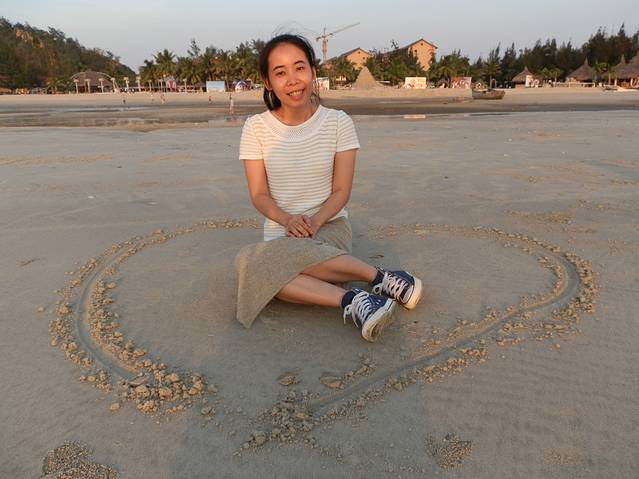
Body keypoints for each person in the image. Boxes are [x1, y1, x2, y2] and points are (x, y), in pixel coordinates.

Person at [234, 34, 423, 342]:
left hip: (329, 226)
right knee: (257, 265)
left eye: (299, 68)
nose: (293, 80)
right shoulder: (255, 128)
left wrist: (314, 222)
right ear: (268, 82)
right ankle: (357, 300)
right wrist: (288, 221)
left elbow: (341, 191)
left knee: (259, 266)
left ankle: (380, 278)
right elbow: (259, 194)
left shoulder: (338, 122)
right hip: (280, 234)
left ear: (312, 71)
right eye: (280, 73)